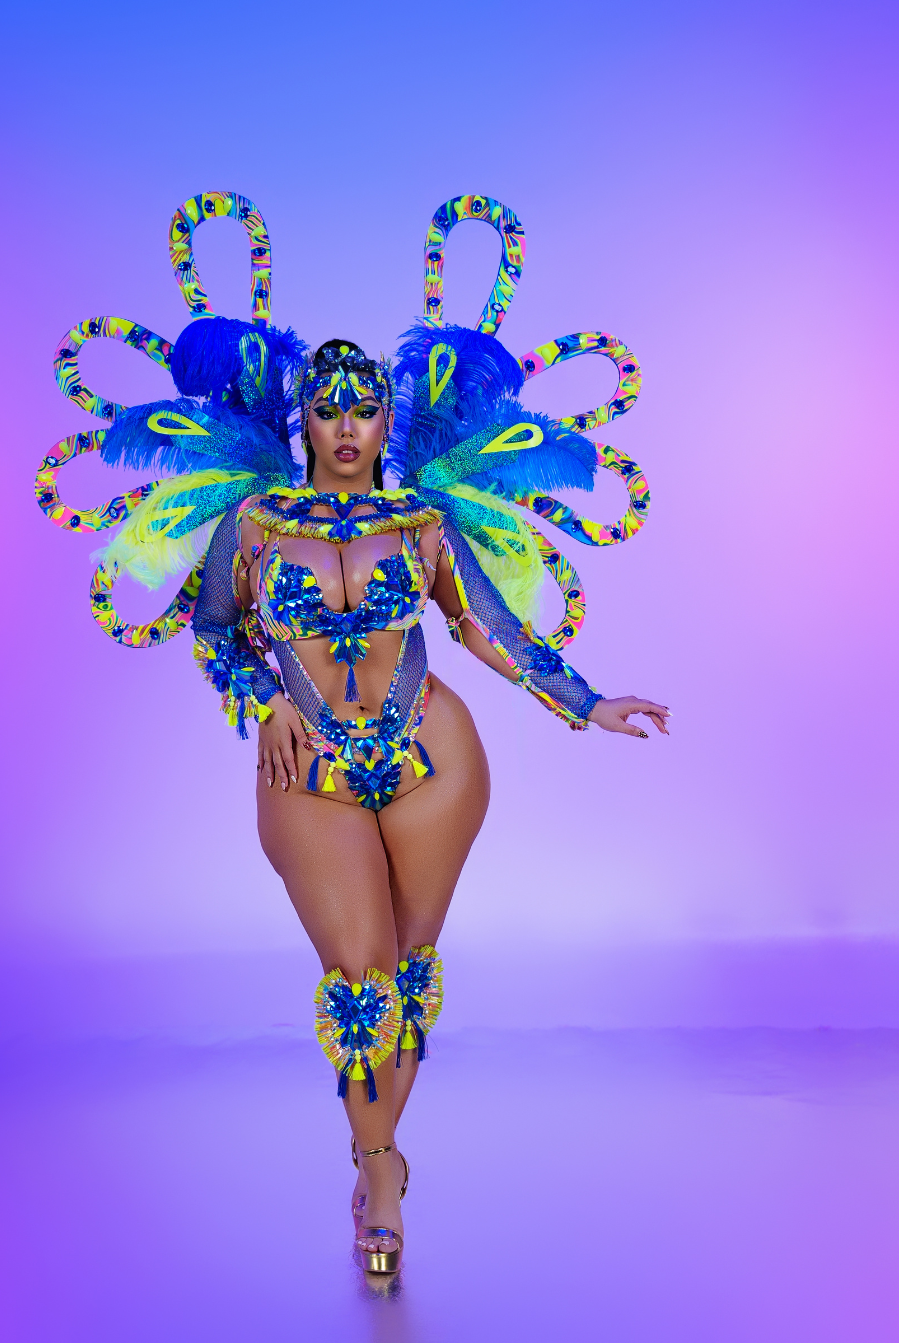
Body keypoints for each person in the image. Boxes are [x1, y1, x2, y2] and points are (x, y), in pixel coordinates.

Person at [35, 191, 669, 1277]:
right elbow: (213, 632)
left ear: (386, 422)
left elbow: (487, 628)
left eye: (363, 410)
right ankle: (383, 1164)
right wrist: (262, 700)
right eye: (326, 409)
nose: (343, 427)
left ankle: (377, 1170)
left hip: (434, 758)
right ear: (304, 422)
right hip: (309, 766)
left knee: (410, 972)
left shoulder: (423, 521)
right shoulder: (253, 523)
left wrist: (587, 701)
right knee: (361, 978)